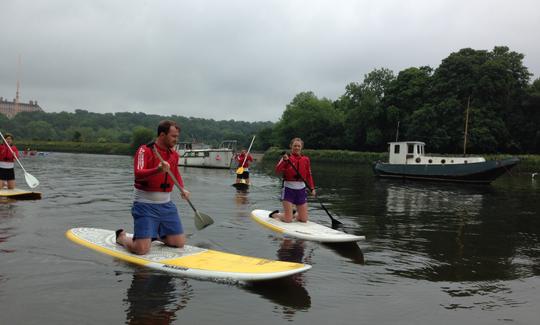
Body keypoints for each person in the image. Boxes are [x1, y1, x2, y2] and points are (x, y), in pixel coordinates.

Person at [116, 120, 190, 255]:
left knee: (178, 243)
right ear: (162, 135)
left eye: (177, 136)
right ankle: (122, 238)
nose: (176, 140)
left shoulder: (174, 155)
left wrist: (182, 188)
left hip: (166, 205)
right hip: (145, 205)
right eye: (173, 136)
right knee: (141, 250)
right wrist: (157, 170)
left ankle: (153, 235)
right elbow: (138, 174)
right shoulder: (144, 150)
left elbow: (175, 173)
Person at [270, 137, 315, 223]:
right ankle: (275, 215)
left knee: (304, 219)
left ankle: (293, 214)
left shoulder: (306, 159)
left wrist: (312, 188)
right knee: (288, 220)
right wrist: (284, 160)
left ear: (301, 147)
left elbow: (309, 175)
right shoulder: (286, 158)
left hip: (301, 190)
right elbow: (277, 170)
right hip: (288, 190)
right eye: (295, 146)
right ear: (291, 146)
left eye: (299, 146)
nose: (297, 148)